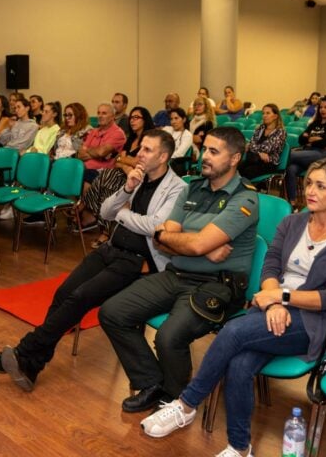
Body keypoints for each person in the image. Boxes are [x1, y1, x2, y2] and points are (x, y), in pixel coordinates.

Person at [140, 157, 326, 457]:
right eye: (309, 183)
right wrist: (274, 297)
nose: (310, 190)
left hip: (312, 321)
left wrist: (281, 299)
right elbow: (271, 264)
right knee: (239, 364)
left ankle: (186, 404)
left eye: (321, 186)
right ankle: (240, 447)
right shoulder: (293, 221)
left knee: (234, 331)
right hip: (269, 308)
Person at [0, 130, 188, 391]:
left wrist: (123, 216)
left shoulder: (178, 188)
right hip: (112, 247)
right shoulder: (138, 179)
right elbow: (105, 211)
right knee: (63, 293)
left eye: (147, 150)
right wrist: (127, 189)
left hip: (138, 261)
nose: (139, 154)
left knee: (80, 298)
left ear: (163, 156)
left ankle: (26, 352)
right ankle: (32, 364)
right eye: (141, 148)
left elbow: (155, 227)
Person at [99, 126, 259, 413]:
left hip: (217, 284)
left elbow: (184, 241)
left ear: (234, 159)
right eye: (204, 149)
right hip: (177, 274)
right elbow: (163, 239)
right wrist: (198, 245)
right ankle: (151, 382)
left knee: (168, 337)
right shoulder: (192, 188)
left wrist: (188, 242)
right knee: (112, 312)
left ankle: (175, 400)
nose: (204, 157)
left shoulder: (244, 198)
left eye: (214, 151)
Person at [80, 107, 155, 248]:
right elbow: (118, 161)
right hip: (124, 173)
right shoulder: (131, 139)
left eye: (136, 117)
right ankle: (104, 227)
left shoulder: (149, 140)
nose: (132, 121)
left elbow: (139, 162)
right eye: (131, 118)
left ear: (145, 120)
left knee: (108, 183)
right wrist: (126, 165)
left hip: (139, 177)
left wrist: (125, 161)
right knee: (106, 177)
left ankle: (99, 224)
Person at [285, 96, 326, 205]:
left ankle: (274, 161)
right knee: (291, 169)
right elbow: (301, 139)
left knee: (289, 155)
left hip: (325, 156)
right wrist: (316, 139)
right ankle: (292, 202)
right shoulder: (315, 123)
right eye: (321, 107)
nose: (323, 110)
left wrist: (311, 139)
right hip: (308, 154)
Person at [77, 102, 126, 184]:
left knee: (83, 175)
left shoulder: (118, 133)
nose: (100, 116)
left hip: (102, 172)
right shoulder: (94, 131)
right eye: (98, 113)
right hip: (84, 167)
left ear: (113, 116)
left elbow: (101, 152)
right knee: (65, 168)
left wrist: (89, 150)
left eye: (104, 113)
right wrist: (96, 153)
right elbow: (80, 154)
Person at [238, 103, 287, 181]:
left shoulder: (280, 132)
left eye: (268, 113)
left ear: (275, 116)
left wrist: (252, 147)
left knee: (247, 172)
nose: (264, 115)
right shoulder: (260, 128)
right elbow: (252, 143)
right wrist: (259, 153)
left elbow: (268, 148)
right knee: (237, 167)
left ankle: (247, 191)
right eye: (263, 113)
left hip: (269, 163)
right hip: (254, 159)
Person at [163, 107, 193, 176]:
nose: (173, 122)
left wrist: (163, 158)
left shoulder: (187, 135)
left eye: (176, 118)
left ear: (184, 119)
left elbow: (179, 154)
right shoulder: (167, 129)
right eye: (171, 119)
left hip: (174, 165)